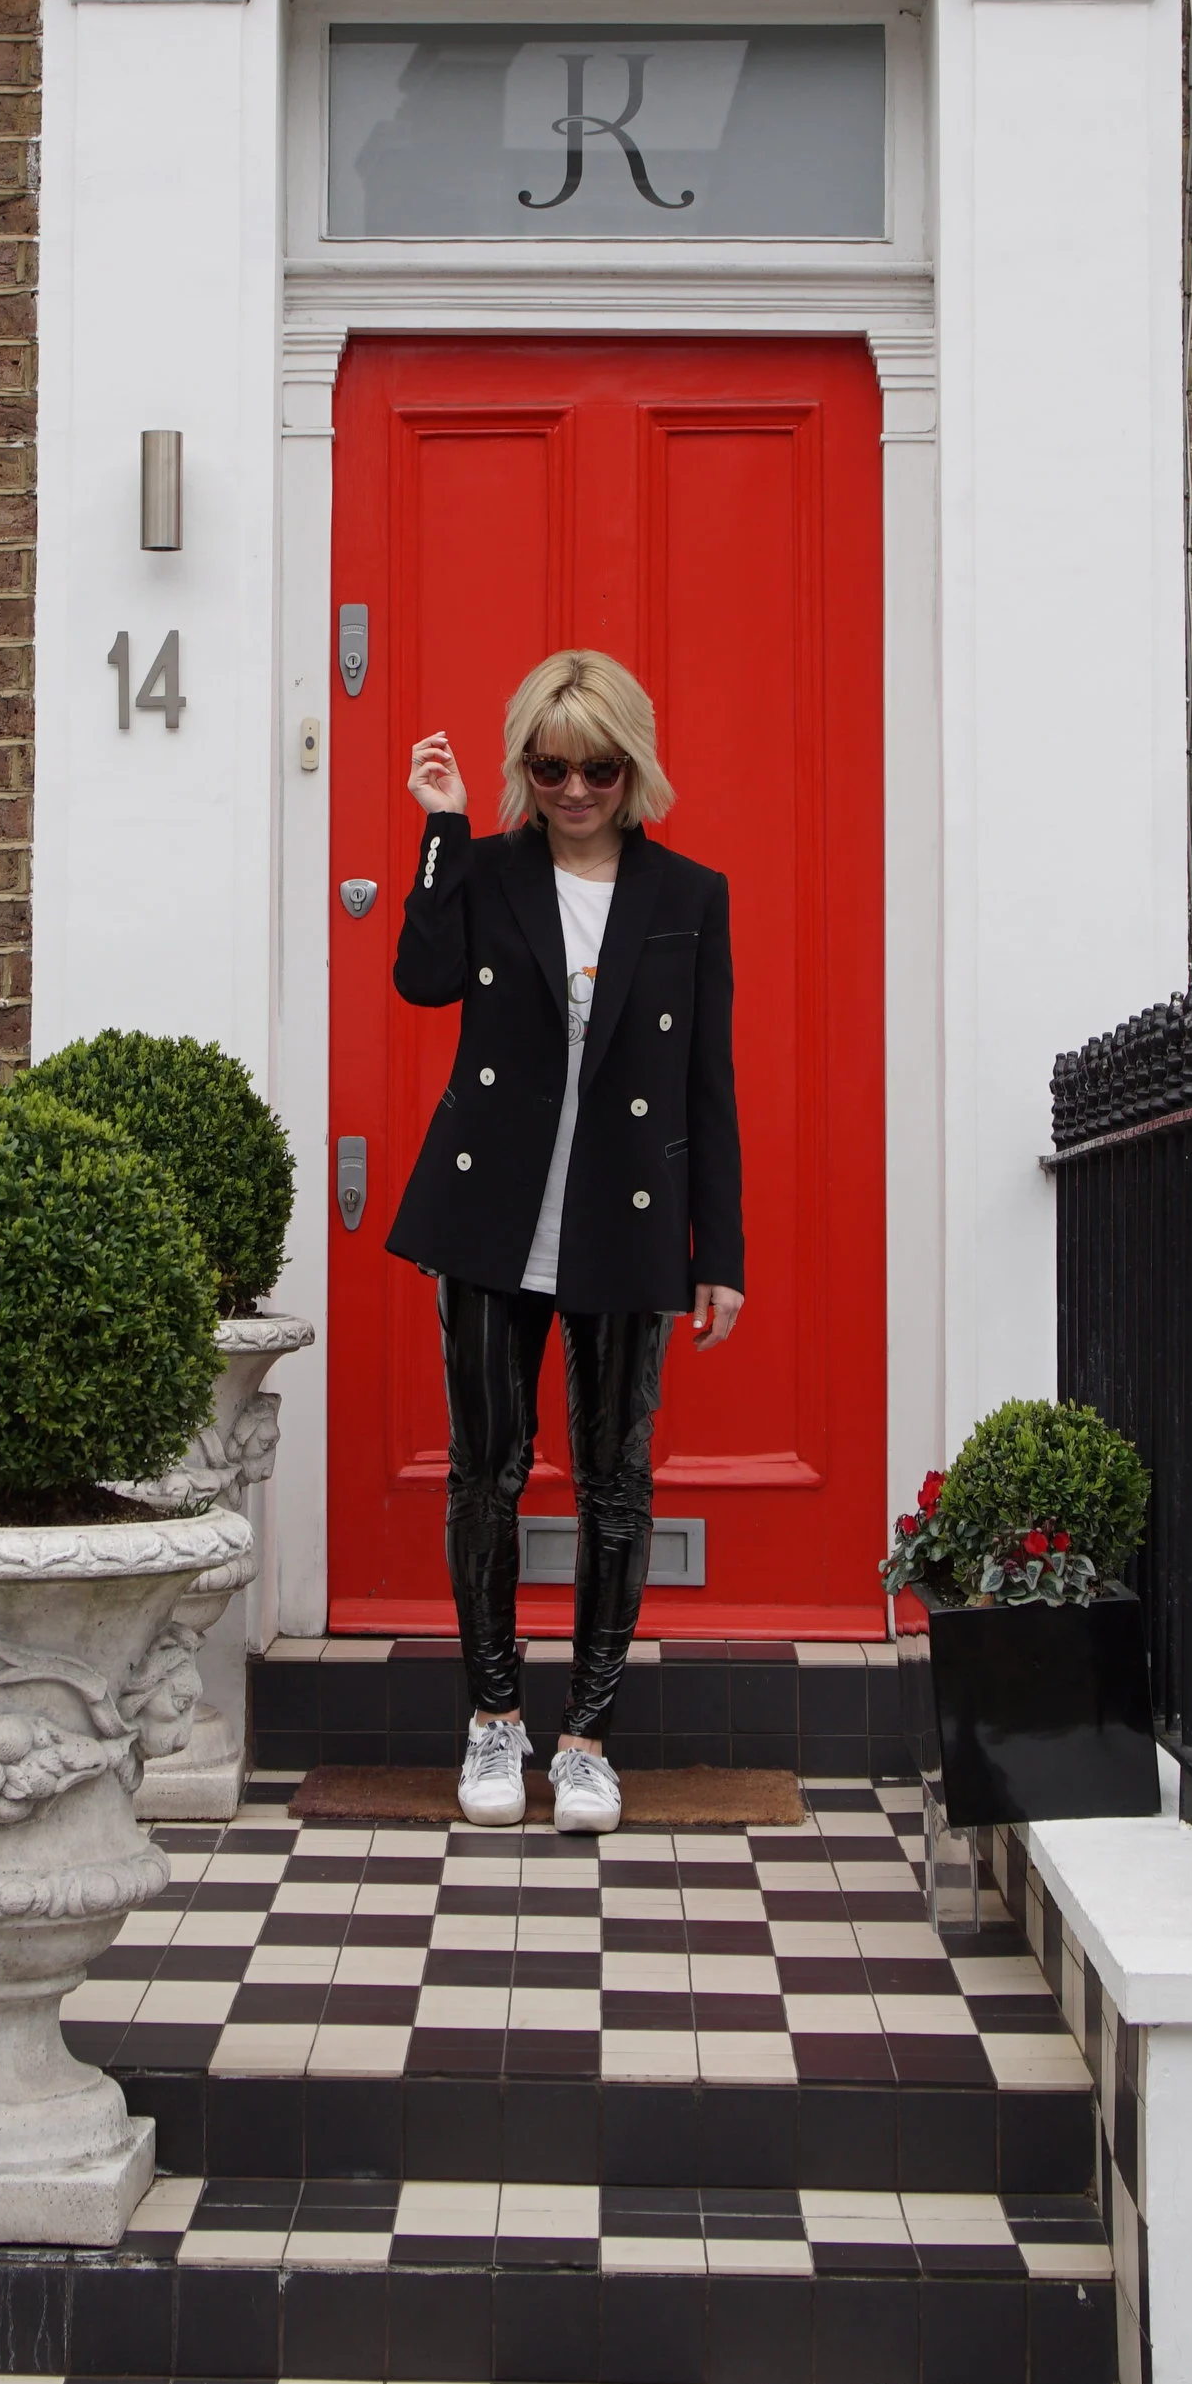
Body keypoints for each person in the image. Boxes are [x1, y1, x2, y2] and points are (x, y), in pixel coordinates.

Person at [384, 649, 745, 1833]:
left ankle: (586, 1737)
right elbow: (422, 978)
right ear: (523, 769)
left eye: (598, 769)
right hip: (492, 1214)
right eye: (550, 769)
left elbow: (706, 1086)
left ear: (632, 767)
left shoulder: (688, 895)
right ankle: (494, 1718)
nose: (576, 791)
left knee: (615, 1481)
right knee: (485, 1470)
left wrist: (718, 1253)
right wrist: (440, 830)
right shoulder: (487, 869)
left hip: (623, 1219)